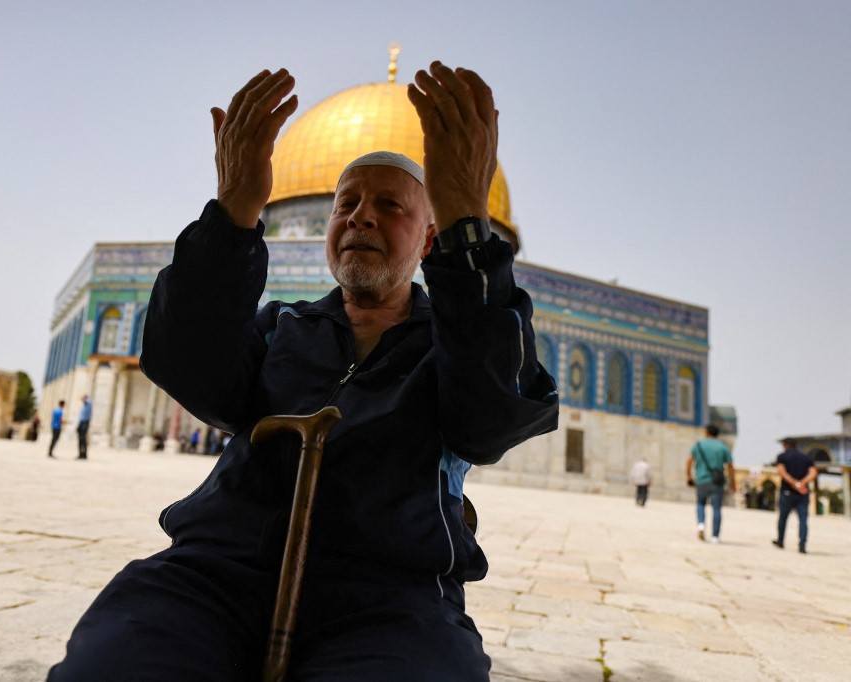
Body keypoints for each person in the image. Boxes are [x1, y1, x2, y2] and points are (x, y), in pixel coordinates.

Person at [49, 62, 558, 681]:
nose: (361, 217)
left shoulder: (458, 338)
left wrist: (470, 230)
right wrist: (233, 211)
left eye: (389, 205)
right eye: (347, 204)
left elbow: (489, 420)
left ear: (430, 240)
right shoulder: (279, 328)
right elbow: (192, 369)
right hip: (219, 572)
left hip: (391, 596)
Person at [686, 424, 735, 543]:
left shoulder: (698, 445)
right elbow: (730, 466)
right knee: (717, 508)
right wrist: (732, 482)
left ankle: (701, 525)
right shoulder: (723, 447)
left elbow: (689, 461)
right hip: (717, 482)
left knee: (700, 504)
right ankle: (715, 536)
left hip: (702, 480)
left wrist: (688, 475)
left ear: (706, 433)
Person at [772, 437, 817, 553]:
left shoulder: (782, 457)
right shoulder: (806, 457)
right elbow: (813, 473)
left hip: (787, 492)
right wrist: (802, 483)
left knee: (783, 518)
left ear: (785, 445)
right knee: (803, 520)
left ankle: (780, 541)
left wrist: (794, 483)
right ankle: (802, 545)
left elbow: (782, 472)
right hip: (803, 493)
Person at [76, 394, 91, 460]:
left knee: (83, 438)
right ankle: (80, 454)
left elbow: (84, 399)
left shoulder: (89, 402)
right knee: (80, 439)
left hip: (85, 422)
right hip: (81, 422)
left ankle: (84, 454)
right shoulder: (84, 405)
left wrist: (84, 396)